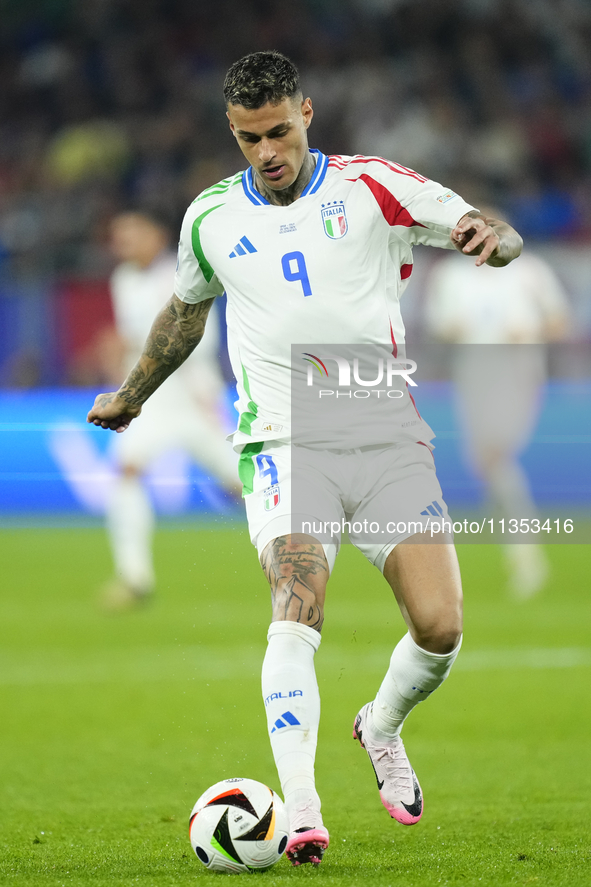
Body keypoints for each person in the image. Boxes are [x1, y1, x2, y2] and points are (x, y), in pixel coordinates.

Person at [88, 52, 523, 865]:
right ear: (233, 132)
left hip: (386, 432)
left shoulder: (372, 185)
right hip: (283, 442)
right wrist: (133, 392)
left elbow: (497, 237)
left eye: (279, 131)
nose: (267, 152)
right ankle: (299, 807)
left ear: (307, 113)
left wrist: (486, 238)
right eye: (250, 138)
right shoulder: (209, 216)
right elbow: (185, 314)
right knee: (298, 604)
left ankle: (381, 725)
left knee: (439, 626)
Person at [103, 210, 238, 607]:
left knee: (246, 486)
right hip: (153, 401)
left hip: (193, 398)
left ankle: (321, 536)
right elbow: (133, 342)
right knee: (127, 470)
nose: (124, 244)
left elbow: (198, 339)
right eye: (118, 237)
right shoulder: (123, 280)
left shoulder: (182, 275)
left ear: (157, 236)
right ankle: (135, 579)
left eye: (132, 234)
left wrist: (208, 401)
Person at [423, 230, 570, 597]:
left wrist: (529, 333)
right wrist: (454, 330)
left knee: (493, 455)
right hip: (473, 373)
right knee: (484, 461)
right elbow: (439, 326)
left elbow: (558, 321)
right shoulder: (451, 276)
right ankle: (520, 551)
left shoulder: (529, 271)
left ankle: (526, 556)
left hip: (518, 368)